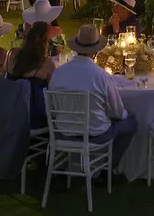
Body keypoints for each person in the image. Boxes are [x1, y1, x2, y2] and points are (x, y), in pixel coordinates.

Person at [49, 25, 137, 170]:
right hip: (95, 133)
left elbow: (53, 106)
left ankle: (61, 169)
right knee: (130, 122)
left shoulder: (59, 72)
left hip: (63, 132)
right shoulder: (101, 76)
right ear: (96, 50)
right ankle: (109, 169)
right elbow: (117, 112)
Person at [7, 21, 57, 128]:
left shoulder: (13, 55)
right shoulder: (47, 63)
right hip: (35, 119)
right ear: (45, 42)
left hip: (11, 116)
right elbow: (53, 93)